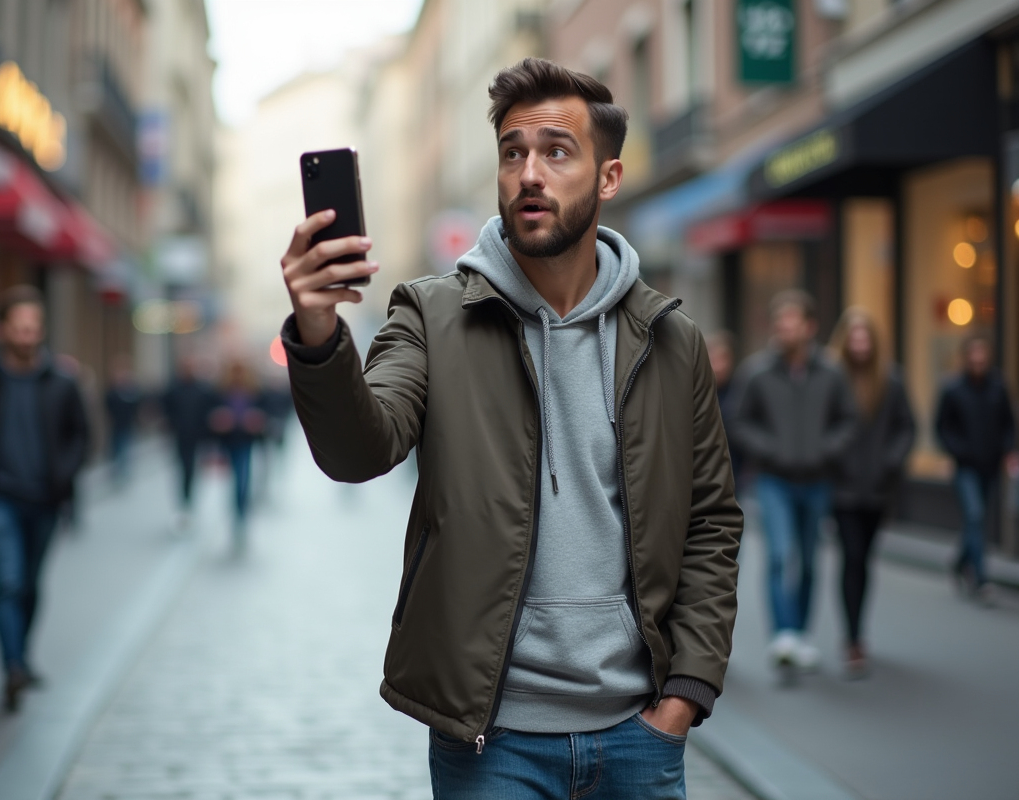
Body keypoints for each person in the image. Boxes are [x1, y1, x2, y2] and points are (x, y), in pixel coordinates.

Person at [279, 58, 742, 797]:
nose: (530, 172)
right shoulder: (431, 315)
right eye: (513, 153)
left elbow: (712, 521)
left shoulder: (669, 338)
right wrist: (316, 327)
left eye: (557, 151)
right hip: (491, 743)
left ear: (609, 177)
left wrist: (686, 692)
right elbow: (358, 451)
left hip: (639, 735)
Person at [0, 286, 90, 712]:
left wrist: (65, 473)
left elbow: (81, 435)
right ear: (3, 331)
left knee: (31, 585)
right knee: (9, 582)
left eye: (33, 327)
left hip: (46, 498)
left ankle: (22, 654)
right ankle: (12, 667)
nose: (26, 334)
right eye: (19, 327)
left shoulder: (62, 381)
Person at [730, 290, 857, 675]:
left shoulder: (832, 372)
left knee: (810, 561)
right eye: (780, 323)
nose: (784, 329)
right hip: (773, 479)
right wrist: (769, 448)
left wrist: (825, 449)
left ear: (810, 327)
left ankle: (800, 633)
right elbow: (739, 420)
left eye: (792, 322)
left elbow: (848, 421)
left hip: (817, 480)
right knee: (781, 555)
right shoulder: (757, 372)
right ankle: (782, 634)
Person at [828, 309, 914, 677]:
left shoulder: (891, 381)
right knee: (852, 556)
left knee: (865, 559)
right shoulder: (832, 378)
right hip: (842, 488)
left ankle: (857, 631)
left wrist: (889, 461)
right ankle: (853, 638)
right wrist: (832, 458)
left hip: (878, 488)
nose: (860, 344)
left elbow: (907, 427)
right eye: (855, 337)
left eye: (866, 338)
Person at [935, 334, 1017, 601]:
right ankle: (980, 578)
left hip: (991, 464)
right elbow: (942, 427)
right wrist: (958, 451)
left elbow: (1008, 423)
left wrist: (1008, 449)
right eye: (974, 353)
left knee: (976, 519)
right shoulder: (953, 388)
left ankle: (960, 561)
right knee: (975, 514)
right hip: (965, 465)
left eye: (983, 354)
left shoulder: (998, 387)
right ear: (966, 356)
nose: (978, 359)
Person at [209, 359, 267, 546]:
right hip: (228, 441)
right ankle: (237, 513)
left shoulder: (255, 391)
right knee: (234, 480)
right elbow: (210, 414)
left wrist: (257, 420)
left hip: (245, 441)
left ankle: (240, 514)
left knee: (242, 479)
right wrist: (218, 420)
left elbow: (265, 413)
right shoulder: (221, 392)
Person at [161, 355, 215, 529]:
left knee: (192, 470)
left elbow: (209, 411)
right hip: (180, 436)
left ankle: (188, 502)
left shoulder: (203, 389)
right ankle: (184, 502)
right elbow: (166, 408)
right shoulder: (175, 388)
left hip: (197, 437)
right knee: (183, 469)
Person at [706, 330, 743, 492]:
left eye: (723, 359)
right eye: (714, 359)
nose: (719, 366)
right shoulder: (693, 393)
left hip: (737, 473)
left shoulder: (740, 390)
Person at [104, 356, 142, 486]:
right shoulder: (112, 390)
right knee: (116, 448)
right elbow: (108, 404)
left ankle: (123, 471)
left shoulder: (131, 390)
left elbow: (136, 404)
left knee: (124, 447)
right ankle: (117, 470)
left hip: (127, 424)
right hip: (115, 424)